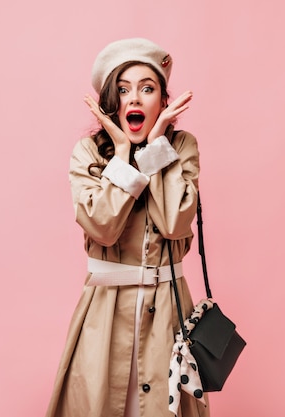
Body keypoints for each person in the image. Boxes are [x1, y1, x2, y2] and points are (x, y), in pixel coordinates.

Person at [46, 38, 210, 417]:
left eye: (147, 89)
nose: (134, 99)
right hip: (104, 312)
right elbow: (101, 227)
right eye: (122, 90)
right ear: (110, 103)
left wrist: (155, 148)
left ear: (163, 101)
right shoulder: (88, 152)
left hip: (169, 311)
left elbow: (174, 223)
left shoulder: (182, 147)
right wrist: (122, 155)